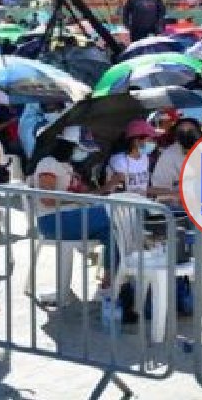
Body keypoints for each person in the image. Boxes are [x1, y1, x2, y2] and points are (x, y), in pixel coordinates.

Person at [30, 126, 113, 288]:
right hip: (52, 220)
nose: (84, 153)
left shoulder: (68, 167)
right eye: (81, 149)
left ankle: (109, 280)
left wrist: (109, 186)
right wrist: (77, 199)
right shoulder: (48, 163)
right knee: (111, 214)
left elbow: (89, 194)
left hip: (70, 218)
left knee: (114, 231)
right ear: (69, 146)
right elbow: (46, 199)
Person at [150, 118, 202, 196]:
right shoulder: (168, 156)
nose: (186, 135)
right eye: (183, 132)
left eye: (190, 132)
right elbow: (158, 188)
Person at [107, 120, 157, 194]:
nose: (153, 143)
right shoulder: (119, 161)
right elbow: (119, 190)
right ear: (136, 141)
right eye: (149, 140)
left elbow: (144, 188)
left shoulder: (145, 158)